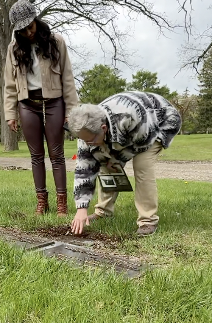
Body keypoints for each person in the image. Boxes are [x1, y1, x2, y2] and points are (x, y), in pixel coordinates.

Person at [66, 91, 182, 236]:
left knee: (142, 165)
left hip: (158, 122)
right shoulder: (86, 133)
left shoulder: (129, 116)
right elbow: (84, 170)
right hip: (128, 129)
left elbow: (143, 142)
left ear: (103, 129)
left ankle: (147, 220)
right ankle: (103, 212)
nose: (88, 144)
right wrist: (81, 209)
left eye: (91, 141)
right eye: (84, 140)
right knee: (104, 161)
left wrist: (117, 159)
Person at [4, 0, 79, 217]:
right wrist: (10, 113)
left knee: (57, 154)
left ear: (36, 20)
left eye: (30, 26)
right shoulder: (14, 49)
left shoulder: (56, 41)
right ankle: (42, 202)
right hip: (28, 104)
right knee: (36, 155)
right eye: (22, 29)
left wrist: (70, 111)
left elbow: (68, 77)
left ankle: (62, 204)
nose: (28, 32)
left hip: (55, 102)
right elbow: (9, 83)